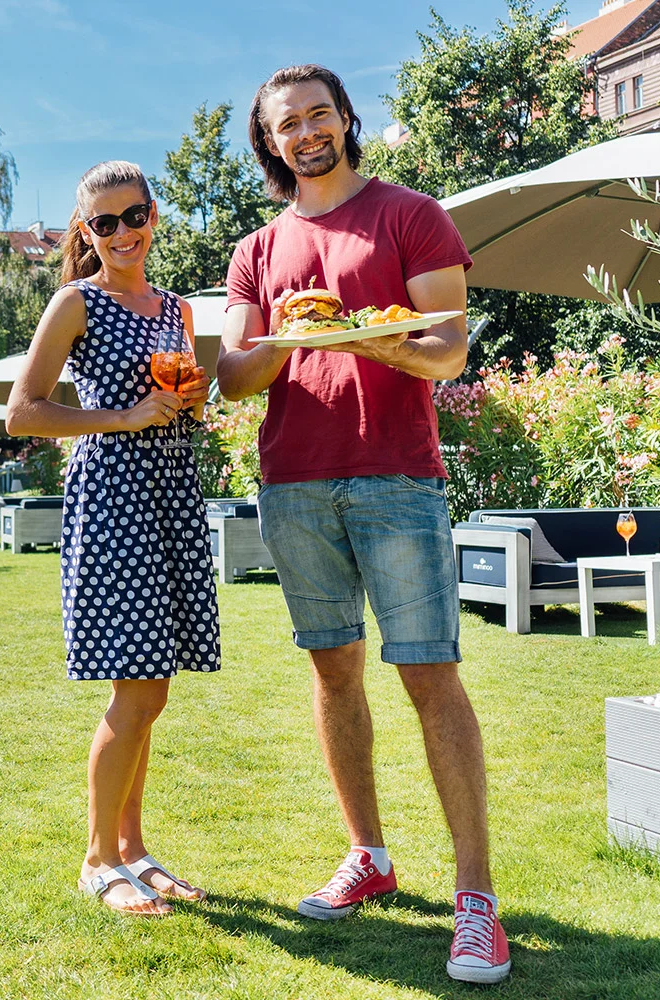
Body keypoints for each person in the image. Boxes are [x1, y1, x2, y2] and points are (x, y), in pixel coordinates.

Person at [215, 65, 508, 984]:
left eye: (317, 116)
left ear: (345, 120)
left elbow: (446, 347)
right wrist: (287, 342)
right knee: (334, 671)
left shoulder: (410, 215)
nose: (305, 133)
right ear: (270, 142)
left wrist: (360, 334)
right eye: (285, 124)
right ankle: (369, 857)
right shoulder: (256, 251)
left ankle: (476, 902)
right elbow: (234, 375)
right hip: (295, 482)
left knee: (430, 675)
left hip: (396, 477)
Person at [7, 161, 219, 917]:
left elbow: (181, 406)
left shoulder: (179, 311)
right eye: (105, 223)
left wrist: (189, 401)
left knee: (153, 691)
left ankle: (133, 850)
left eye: (134, 217)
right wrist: (122, 417)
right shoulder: (76, 303)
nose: (123, 234)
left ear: (153, 216)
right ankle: (98, 859)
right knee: (136, 688)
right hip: (115, 500)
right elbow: (23, 413)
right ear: (84, 230)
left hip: (169, 495)